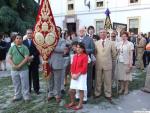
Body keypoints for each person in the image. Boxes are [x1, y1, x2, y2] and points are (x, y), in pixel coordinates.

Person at [94, 29, 116, 103]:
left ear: (106, 34)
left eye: (104, 32)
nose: (102, 34)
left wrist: (111, 61)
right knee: (98, 80)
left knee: (108, 80)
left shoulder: (111, 43)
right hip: (98, 64)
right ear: (99, 34)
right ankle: (97, 93)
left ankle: (108, 94)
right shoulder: (96, 43)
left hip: (108, 64)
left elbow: (114, 54)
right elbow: (95, 53)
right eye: (101, 32)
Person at [65, 42, 88, 110]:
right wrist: (72, 74)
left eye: (79, 47)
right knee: (71, 90)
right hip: (74, 75)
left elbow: (84, 67)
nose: (78, 49)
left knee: (81, 90)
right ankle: (73, 102)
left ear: (83, 49)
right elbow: (72, 66)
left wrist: (78, 75)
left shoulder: (85, 56)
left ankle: (80, 104)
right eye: (77, 47)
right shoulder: (75, 56)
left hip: (81, 75)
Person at [8, 34, 30, 102]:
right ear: (14, 40)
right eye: (17, 38)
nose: (18, 39)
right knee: (16, 83)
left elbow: (26, 58)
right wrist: (14, 66)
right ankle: (17, 95)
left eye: (20, 38)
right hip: (14, 70)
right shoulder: (12, 48)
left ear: (22, 40)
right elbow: (9, 58)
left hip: (24, 69)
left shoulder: (25, 47)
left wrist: (19, 65)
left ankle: (26, 96)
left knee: (25, 83)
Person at [48, 26, 66, 103]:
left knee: (57, 80)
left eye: (58, 30)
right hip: (49, 63)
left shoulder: (62, 40)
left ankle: (57, 94)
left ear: (60, 32)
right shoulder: (48, 40)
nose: (56, 32)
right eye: (55, 30)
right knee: (50, 80)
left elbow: (62, 50)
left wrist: (52, 47)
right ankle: (50, 93)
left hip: (58, 63)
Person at [23, 29, 40, 95]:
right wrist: (27, 58)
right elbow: (22, 51)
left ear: (33, 34)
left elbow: (38, 50)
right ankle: (28, 89)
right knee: (27, 76)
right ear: (26, 34)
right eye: (28, 33)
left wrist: (32, 56)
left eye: (30, 33)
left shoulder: (36, 41)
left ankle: (36, 89)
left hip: (35, 60)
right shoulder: (23, 42)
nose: (29, 34)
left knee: (35, 76)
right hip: (26, 61)